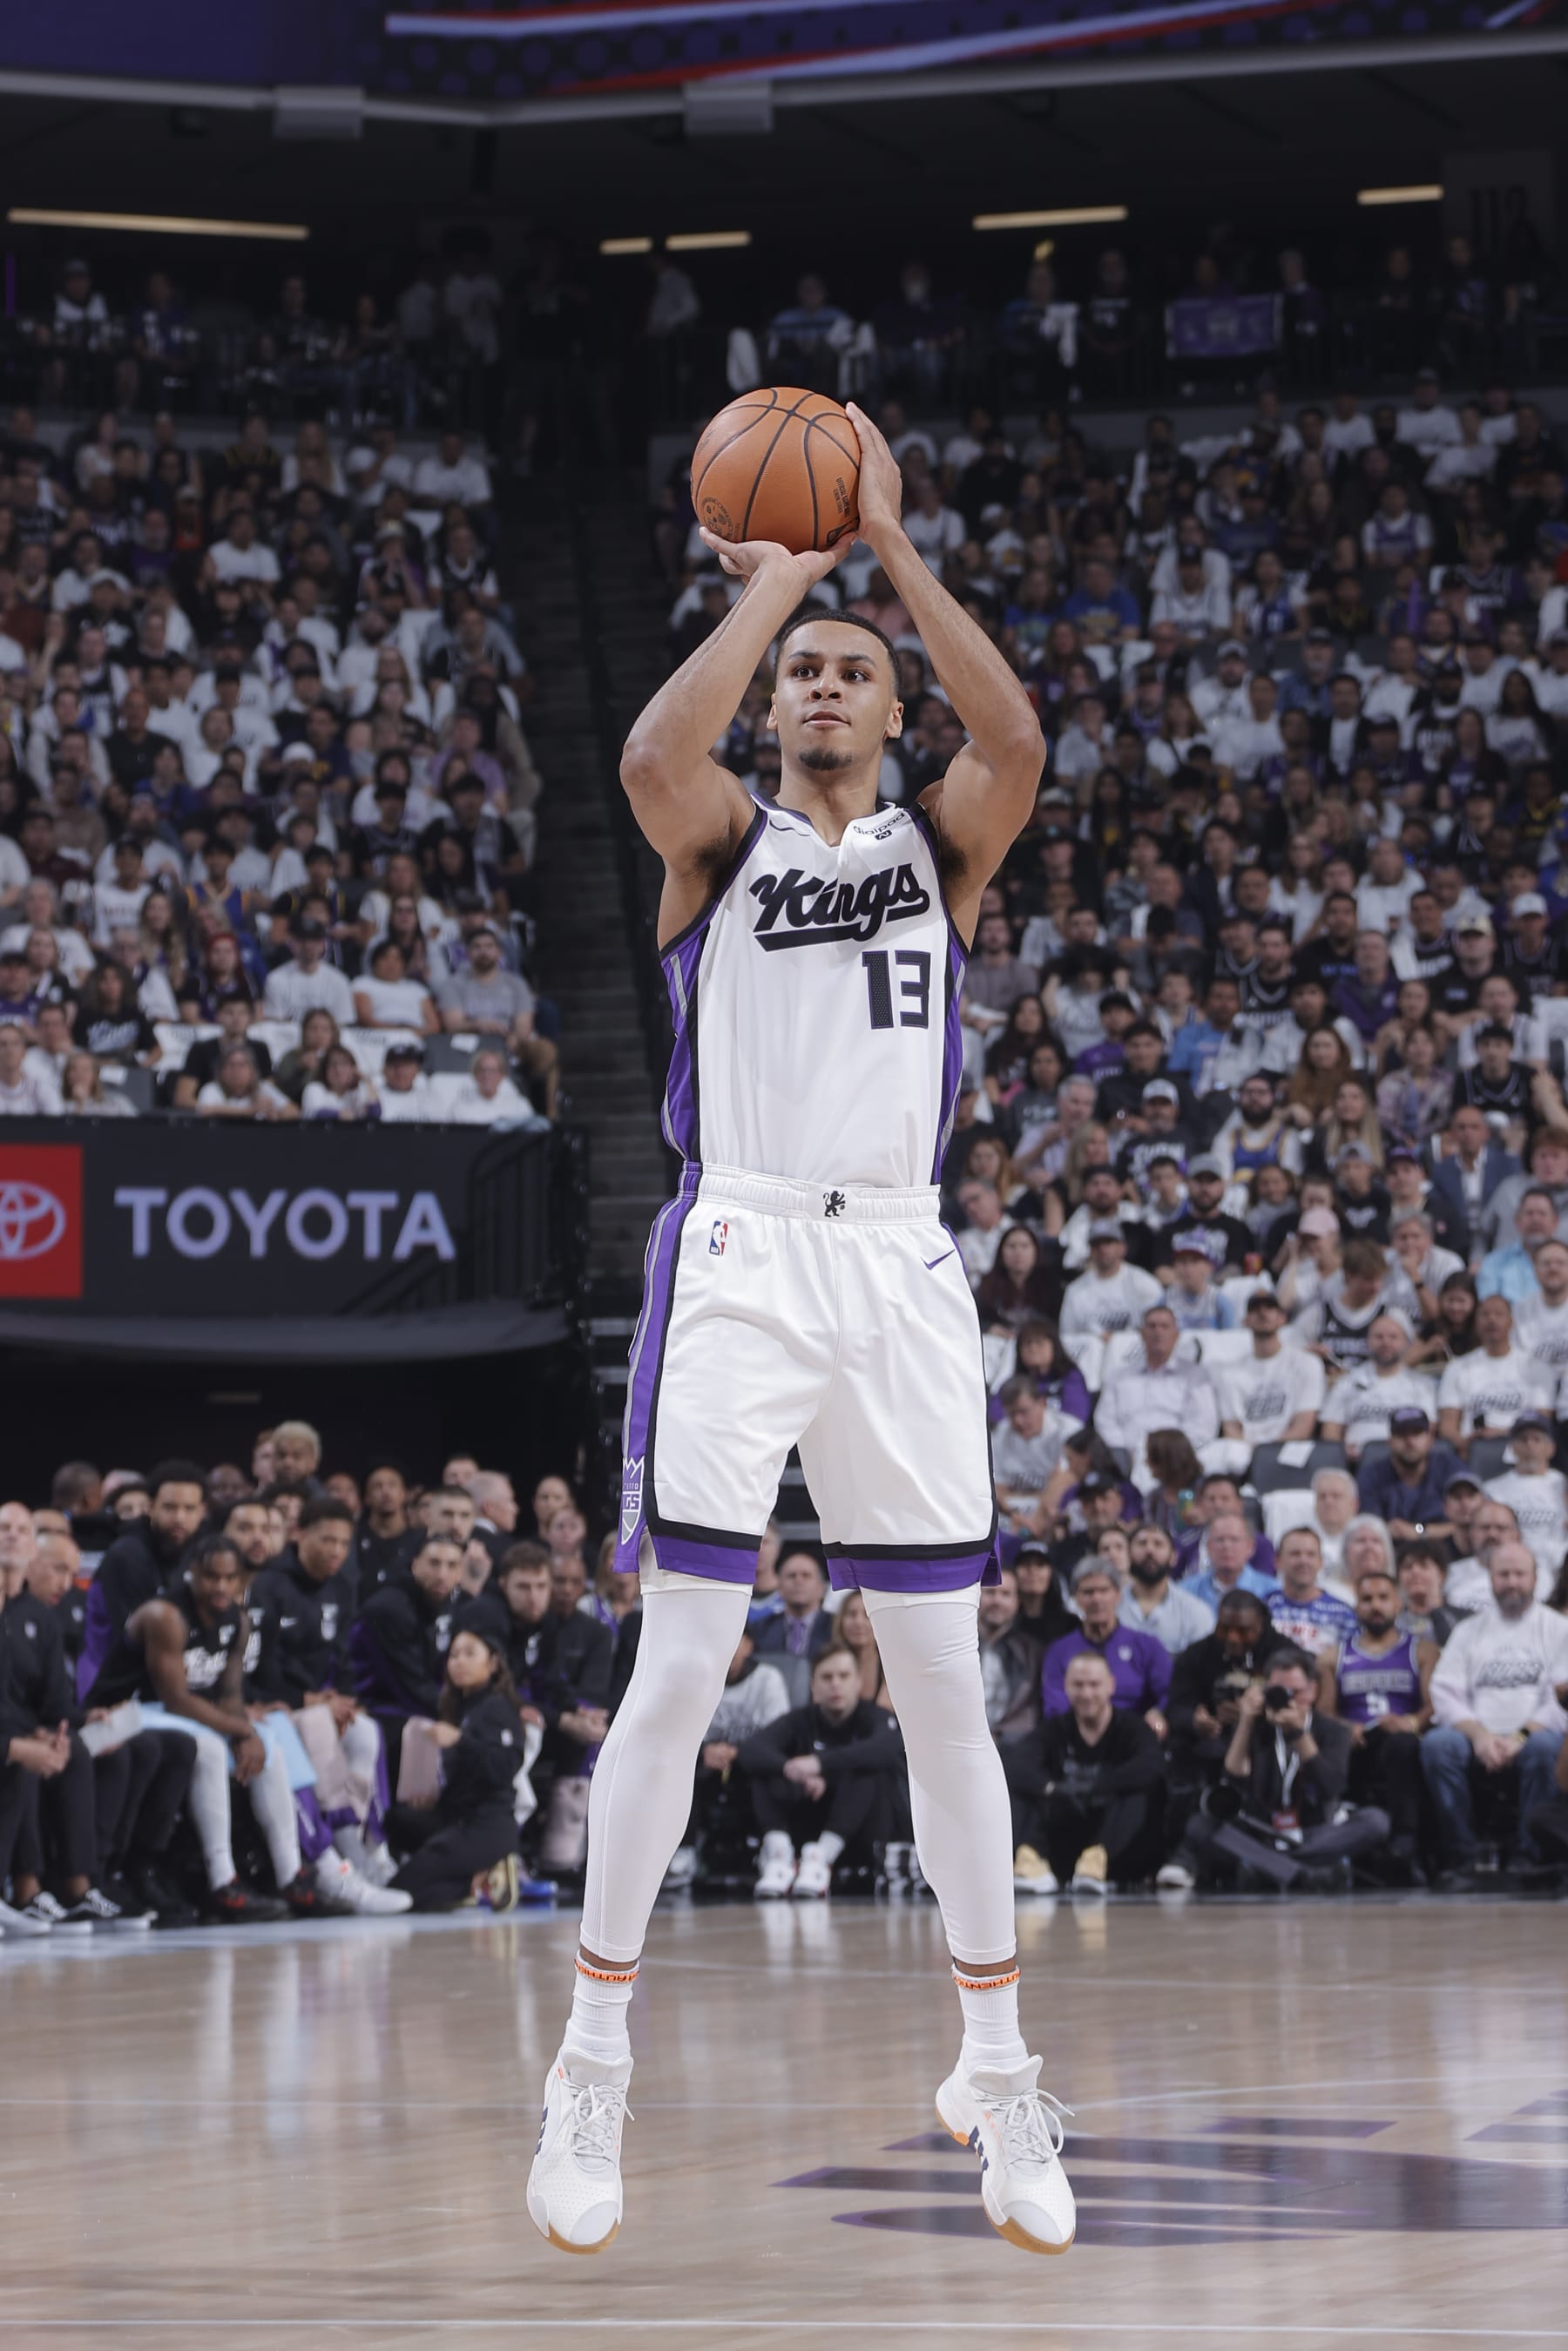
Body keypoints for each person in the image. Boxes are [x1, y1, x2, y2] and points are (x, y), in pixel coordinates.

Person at [531, 402, 1076, 2265]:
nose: (827, 685)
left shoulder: (944, 842)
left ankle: (997, 2066)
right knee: (682, 1658)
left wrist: (891, 548)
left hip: (902, 1265)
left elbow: (1020, 740)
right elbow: (644, 751)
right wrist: (774, 584)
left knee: (944, 1680)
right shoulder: (719, 837)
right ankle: (589, 2059)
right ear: (774, 706)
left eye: (853, 669)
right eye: (804, 675)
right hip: (745, 1249)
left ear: (893, 703)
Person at [85, 1535, 338, 1923]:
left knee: (270, 1743)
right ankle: (223, 1879)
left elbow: (230, 1694)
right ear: (193, 1573)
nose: (220, 1587)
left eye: (229, 1578)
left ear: (241, 1580)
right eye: (211, 1577)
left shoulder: (238, 1620)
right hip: (128, 1711)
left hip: (186, 1714)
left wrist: (247, 1733)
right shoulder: (165, 1616)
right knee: (210, 1747)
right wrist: (239, 1731)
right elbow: (175, 1699)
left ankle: (291, 1874)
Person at [246, 1496, 410, 1915]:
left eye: (343, 1542)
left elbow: (342, 1656)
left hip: (319, 1702)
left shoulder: (341, 1586)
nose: (336, 1550)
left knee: (366, 1731)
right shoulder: (269, 1585)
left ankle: (374, 1848)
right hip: (275, 1703)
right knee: (319, 1723)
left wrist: (346, 1700)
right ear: (299, 1534)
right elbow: (259, 1664)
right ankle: (344, 1851)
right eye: (326, 1540)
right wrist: (307, 1700)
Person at [1160, 1647, 1390, 1891]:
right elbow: (1234, 1778)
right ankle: (1301, 1874)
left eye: (1296, 1692)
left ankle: (1271, 1868)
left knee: (1375, 1822)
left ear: (1313, 1690)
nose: (1287, 1700)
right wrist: (1245, 1723)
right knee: (1201, 1825)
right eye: (1278, 1692)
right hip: (1262, 1832)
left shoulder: (1333, 1731)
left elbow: (1330, 1786)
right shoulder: (1256, 1725)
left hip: (1315, 1832)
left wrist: (1298, 1734)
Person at [1423, 1542, 1568, 1881]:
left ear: (1535, 1578)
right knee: (1437, 1745)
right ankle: (1462, 1854)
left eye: (1519, 1574)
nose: (1512, 1582)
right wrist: (1480, 1737)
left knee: (1545, 1747)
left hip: (1535, 1736)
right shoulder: (1468, 1631)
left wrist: (1520, 1736)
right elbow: (1444, 1693)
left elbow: (1562, 1700)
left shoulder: (1559, 1629)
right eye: (1504, 1574)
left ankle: (1529, 1854)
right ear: (1490, 1578)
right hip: (1476, 1736)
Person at [738, 1643, 904, 1898]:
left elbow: (888, 1748)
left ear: (858, 1682)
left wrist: (820, 1764)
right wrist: (791, 1769)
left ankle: (822, 1859)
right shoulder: (801, 1719)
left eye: (844, 1676)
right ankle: (779, 1855)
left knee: (865, 1769)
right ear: (813, 1686)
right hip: (808, 1824)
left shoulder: (875, 1717)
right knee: (767, 1769)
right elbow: (752, 1749)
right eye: (827, 1677)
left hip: (859, 1831)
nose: (835, 1684)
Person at [386, 1625, 532, 1911]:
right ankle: (473, 1878)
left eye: (469, 1654)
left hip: (485, 1825)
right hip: (455, 1815)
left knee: (401, 1892)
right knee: (398, 1820)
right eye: (453, 1655)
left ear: (492, 1663)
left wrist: (460, 1741)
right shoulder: (460, 1707)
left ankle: (480, 1877)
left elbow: (505, 1767)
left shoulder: (498, 1707)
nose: (459, 1662)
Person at [1002, 1651, 1164, 1895]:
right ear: (1066, 1687)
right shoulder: (1055, 1729)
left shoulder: (1132, 1728)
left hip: (1113, 1835)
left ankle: (1095, 1865)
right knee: (1018, 1787)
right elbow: (1018, 1765)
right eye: (1078, 1685)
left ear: (1111, 1685)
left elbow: (1152, 1765)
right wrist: (1052, 1789)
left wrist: (1099, 1786)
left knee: (1140, 1793)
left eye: (1094, 1685)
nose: (1086, 1694)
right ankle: (1031, 1860)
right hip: (1063, 1825)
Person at [1316, 1569, 1436, 1881]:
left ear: (1398, 1604)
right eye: (1367, 1599)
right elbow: (1324, 1712)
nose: (1375, 1606)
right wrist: (1344, 1727)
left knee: (1402, 1744)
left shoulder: (1422, 1651)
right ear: (1357, 1607)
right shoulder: (1333, 1656)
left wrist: (1411, 1721)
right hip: (1357, 1745)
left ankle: (1405, 1841)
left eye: (1383, 1598)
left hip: (1402, 1743)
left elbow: (1434, 1705)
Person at [1041, 1559, 1171, 1734]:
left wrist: (1157, 1714)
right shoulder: (1059, 1651)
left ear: (1118, 1595)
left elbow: (1170, 1692)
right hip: (1077, 1737)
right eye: (1088, 1592)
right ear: (1076, 1599)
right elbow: (1055, 1706)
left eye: (1104, 1591)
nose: (1097, 1599)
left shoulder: (1146, 1645)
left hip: (1135, 1736)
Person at [1119, 1523, 1215, 1654]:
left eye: (1158, 1544)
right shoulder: (1109, 1607)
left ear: (1173, 1557)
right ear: (1128, 1554)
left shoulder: (1196, 1611)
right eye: (1142, 1543)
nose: (1149, 1550)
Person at [1267, 1527, 1358, 1661]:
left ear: (1321, 1562)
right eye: (1295, 1554)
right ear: (1278, 1561)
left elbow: (1351, 1663)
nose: (1303, 1561)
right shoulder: (1264, 1607)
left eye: (1311, 1554)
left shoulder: (1344, 1614)